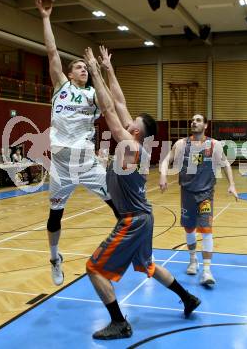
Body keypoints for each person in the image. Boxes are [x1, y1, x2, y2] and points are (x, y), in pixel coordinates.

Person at [84, 47, 201, 340]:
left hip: (132, 220)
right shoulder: (136, 142)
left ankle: (119, 323)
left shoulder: (132, 146)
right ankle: (187, 298)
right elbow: (119, 102)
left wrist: (94, 72)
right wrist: (109, 68)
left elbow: (109, 109)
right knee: (146, 265)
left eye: (133, 121)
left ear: (138, 131)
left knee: (93, 268)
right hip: (143, 217)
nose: (128, 119)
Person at [36, 0, 120, 286]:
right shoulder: (61, 86)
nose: (83, 69)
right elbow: (51, 51)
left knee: (117, 207)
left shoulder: (93, 95)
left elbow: (111, 106)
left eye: (86, 67)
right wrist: (46, 17)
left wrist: (100, 72)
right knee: (54, 216)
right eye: (80, 67)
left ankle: (123, 248)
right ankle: (54, 258)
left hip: (87, 163)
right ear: (70, 74)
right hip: (60, 166)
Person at [159, 114, 238, 286]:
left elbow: (225, 164)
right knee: (189, 229)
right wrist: (163, 175)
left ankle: (207, 271)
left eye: (198, 120)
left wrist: (232, 184)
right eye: (192, 120)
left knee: (206, 230)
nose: (194, 122)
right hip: (187, 193)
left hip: (205, 195)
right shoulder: (181, 144)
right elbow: (166, 160)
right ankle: (193, 260)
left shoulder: (214, 145)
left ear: (206, 126)